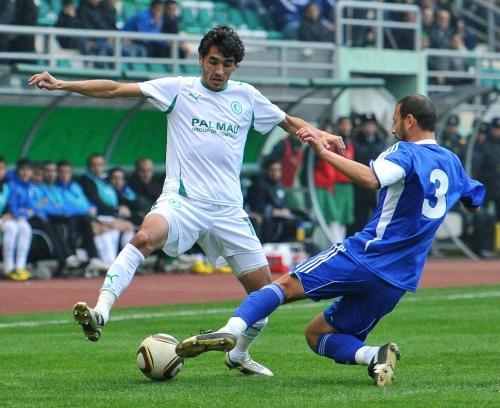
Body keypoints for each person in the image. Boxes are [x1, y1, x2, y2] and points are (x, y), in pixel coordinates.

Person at [28, 25, 343, 377]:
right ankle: (101, 311)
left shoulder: (247, 97)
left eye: (226, 64)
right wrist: (63, 84)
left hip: (228, 211)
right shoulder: (178, 89)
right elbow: (115, 89)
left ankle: (238, 354)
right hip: (183, 202)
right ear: (201, 59)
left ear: (235, 66)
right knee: (144, 237)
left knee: (266, 295)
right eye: (213, 61)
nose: (218, 70)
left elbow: (287, 121)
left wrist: (319, 133)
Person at [175, 94, 485, 387]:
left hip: (365, 256)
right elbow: (475, 200)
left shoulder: (404, 152)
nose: (392, 128)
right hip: (399, 278)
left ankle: (230, 330)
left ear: (410, 121)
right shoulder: (452, 163)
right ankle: (374, 356)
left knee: (283, 287)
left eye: (395, 120)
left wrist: (324, 154)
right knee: (317, 334)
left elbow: (371, 178)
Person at [0, 157, 33, 281]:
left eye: (2, 168)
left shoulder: (5, 186)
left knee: (25, 228)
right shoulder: (12, 185)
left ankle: (20, 267)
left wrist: (10, 214)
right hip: (4, 219)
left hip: (6, 218)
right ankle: (8, 268)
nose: (0, 171)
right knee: (11, 228)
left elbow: (10, 206)